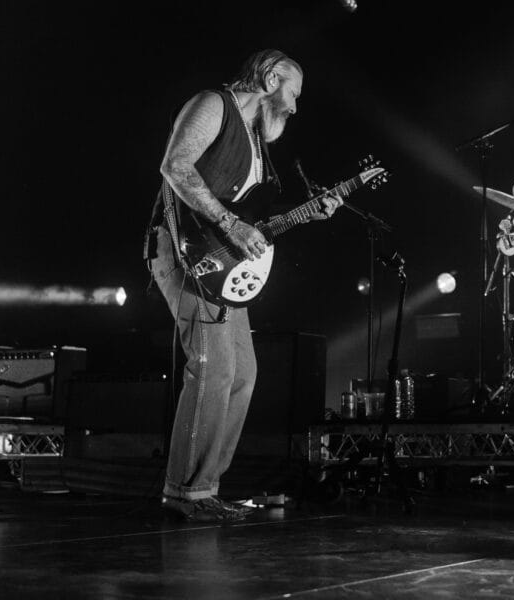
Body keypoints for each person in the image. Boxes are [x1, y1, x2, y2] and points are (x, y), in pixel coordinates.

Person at [145, 49, 342, 522]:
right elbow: (176, 168)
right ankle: (184, 493)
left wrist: (304, 213)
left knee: (242, 374)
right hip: (183, 251)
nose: (294, 106)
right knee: (211, 367)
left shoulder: (258, 141)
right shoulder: (213, 104)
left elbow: (253, 217)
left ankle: (205, 488)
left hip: (224, 267)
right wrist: (232, 227)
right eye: (293, 92)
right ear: (273, 77)